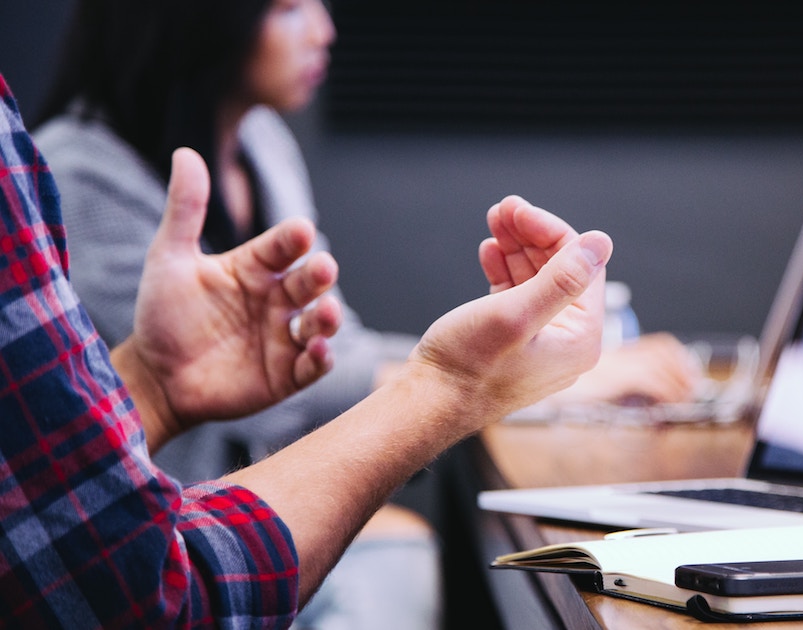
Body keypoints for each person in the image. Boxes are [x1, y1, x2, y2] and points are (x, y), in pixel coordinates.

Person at [33, 0, 698, 626]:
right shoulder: (77, 177)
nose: (324, 29)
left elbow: (324, 351)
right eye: (288, 7)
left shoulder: (260, 142)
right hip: (157, 552)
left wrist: (495, 372)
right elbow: (294, 392)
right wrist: (504, 380)